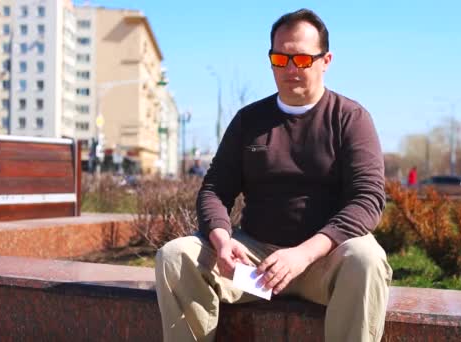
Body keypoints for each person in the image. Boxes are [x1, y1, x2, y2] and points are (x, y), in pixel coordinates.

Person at [155, 8, 392, 342]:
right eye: (280, 59)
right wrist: (221, 239)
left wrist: (303, 254)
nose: (290, 69)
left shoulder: (350, 118)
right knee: (175, 257)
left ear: (326, 60)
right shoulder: (249, 121)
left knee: (366, 259)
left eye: (302, 59)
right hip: (254, 268)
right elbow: (213, 190)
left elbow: (367, 201)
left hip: (324, 264)